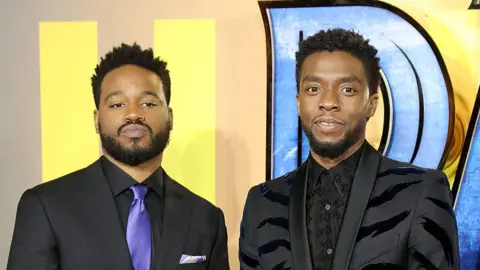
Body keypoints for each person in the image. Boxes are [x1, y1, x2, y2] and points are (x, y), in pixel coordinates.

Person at [238, 28, 459, 270]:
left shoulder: (420, 191)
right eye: (314, 89)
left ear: (371, 104)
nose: (329, 102)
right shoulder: (263, 202)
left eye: (347, 90)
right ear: (299, 102)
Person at [7, 43, 229, 270]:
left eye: (148, 103)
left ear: (170, 117)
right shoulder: (46, 207)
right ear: (97, 119)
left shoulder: (206, 218)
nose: (133, 113)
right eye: (117, 104)